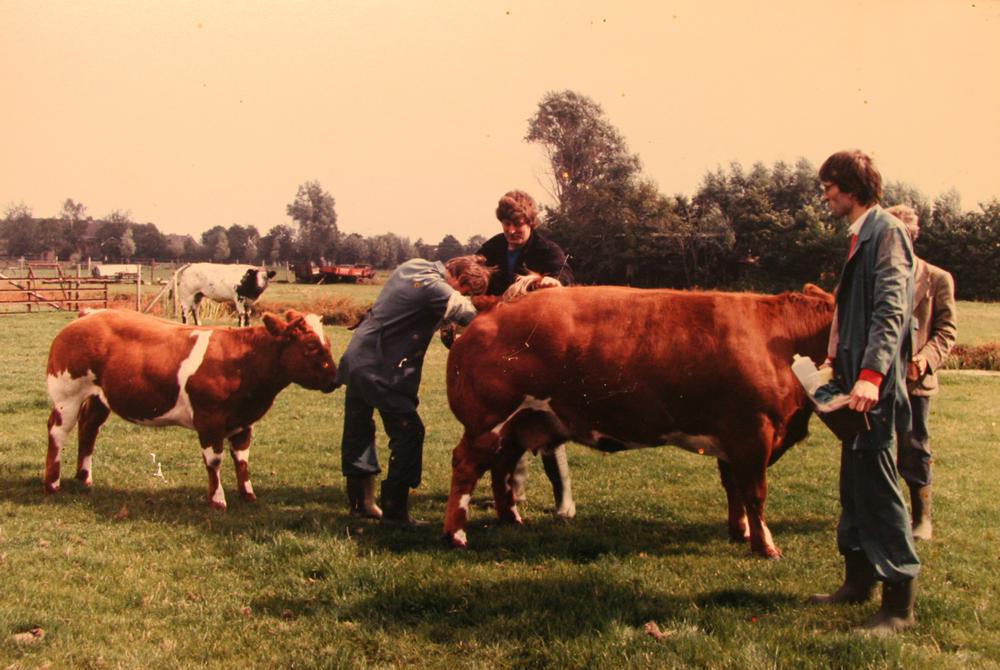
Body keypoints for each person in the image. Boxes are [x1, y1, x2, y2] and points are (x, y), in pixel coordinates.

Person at [808, 150, 920, 635]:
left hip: (871, 387)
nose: (825, 196)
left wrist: (871, 375)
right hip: (852, 381)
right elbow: (850, 311)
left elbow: (891, 311)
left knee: (877, 489)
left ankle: (899, 605)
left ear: (851, 187)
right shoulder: (861, 234)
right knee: (854, 485)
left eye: (829, 186)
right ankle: (858, 582)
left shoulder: (887, 233)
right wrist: (835, 359)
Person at [337, 255, 493, 526]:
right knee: (409, 433)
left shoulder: (414, 265)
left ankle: (361, 505)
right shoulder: (434, 285)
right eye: (466, 289)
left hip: (358, 359)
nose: (464, 294)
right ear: (458, 277)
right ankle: (395, 512)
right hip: (380, 367)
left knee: (358, 431)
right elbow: (467, 313)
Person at [475, 190, 576, 517]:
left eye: (517, 224)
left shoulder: (548, 251)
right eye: (506, 224)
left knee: (546, 418)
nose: (511, 230)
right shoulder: (491, 249)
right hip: (503, 347)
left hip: (540, 349)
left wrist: (548, 283)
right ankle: (513, 492)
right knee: (506, 418)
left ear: (531, 222)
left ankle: (565, 500)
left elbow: (565, 281)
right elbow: (475, 280)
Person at [885, 204, 957, 542]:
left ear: (913, 237)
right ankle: (882, 511)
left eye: (904, 235)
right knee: (876, 447)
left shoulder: (938, 279)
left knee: (914, 446)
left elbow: (947, 331)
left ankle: (922, 517)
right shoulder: (878, 278)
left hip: (916, 382)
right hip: (879, 378)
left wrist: (925, 360)